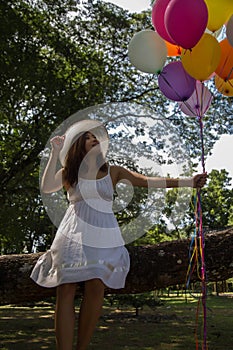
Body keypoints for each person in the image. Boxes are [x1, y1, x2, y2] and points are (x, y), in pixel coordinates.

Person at [31, 119, 207, 350]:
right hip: (73, 231)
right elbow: (46, 187)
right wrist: (55, 152)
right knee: (66, 287)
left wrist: (188, 182)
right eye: (88, 137)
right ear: (78, 145)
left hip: (103, 232)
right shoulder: (70, 172)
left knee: (96, 284)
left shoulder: (112, 171)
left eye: (96, 137)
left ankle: (81, 347)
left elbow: (146, 181)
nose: (94, 139)